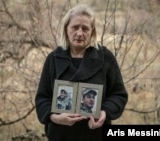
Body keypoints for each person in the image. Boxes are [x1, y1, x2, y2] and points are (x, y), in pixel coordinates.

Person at [35, 4, 128, 141]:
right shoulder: (53, 59)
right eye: (75, 27)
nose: (79, 33)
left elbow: (118, 94)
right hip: (60, 135)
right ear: (66, 29)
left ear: (92, 32)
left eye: (85, 28)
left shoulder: (105, 57)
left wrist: (104, 112)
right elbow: (42, 98)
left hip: (95, 134)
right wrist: (55, 117)